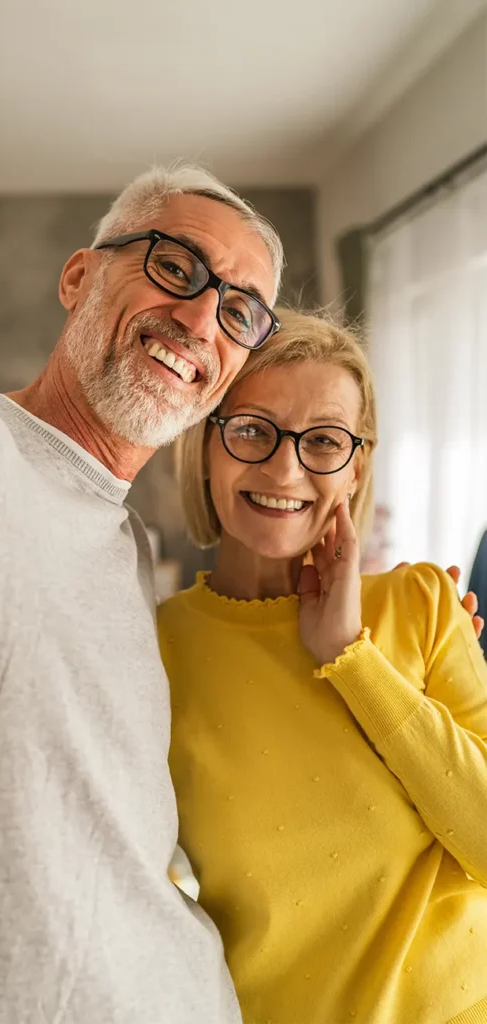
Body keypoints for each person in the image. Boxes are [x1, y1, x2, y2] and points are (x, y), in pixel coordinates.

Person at [0, 164, 284, 1024]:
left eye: (239, 312)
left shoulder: (129, 542)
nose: (199, 319)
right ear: (79, 276)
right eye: (174, 266)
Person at [159, 310, 487, 1024]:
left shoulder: (423, 603)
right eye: (251, 429)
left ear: (356, 466)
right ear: (205, 444)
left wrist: (350, 656)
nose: (285, 468)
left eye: (325, 441)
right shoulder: (155, 648)